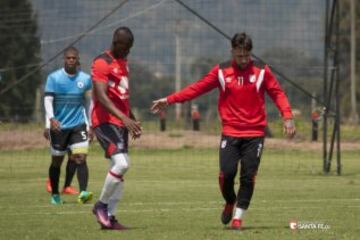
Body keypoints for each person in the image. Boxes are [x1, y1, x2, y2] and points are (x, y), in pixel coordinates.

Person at [151, 32, 296, 230]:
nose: (244, 60)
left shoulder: (262, 71)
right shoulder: (221, 71)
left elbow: (278, 93)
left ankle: (238, 218)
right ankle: (230, 200)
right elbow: (197, 88)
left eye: (247, 56)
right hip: (230, 132)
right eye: (239, 56)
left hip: (255, 134)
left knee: (248, 176)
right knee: (226, 174)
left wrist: (287, 117)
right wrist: (169, 100)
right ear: (232, 52)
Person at [91, 26, 141, 230]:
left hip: (120, 122)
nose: (128, 51)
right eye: (126, 47)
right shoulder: (102, 62)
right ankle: (100, 206)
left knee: (121, 167)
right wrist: (123, 117)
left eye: (130, 48)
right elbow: (101, 96)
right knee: (121, 164)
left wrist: (131, 118)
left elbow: (122, 96)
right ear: (116, 42)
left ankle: (110, 218)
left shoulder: (124, 62)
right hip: (104, 122)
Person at [44, 46, 93, 205]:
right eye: (68, 58)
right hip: (59, 127)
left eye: (74, 58)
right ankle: (56, 194)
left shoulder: (85, 79)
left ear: (78, 60)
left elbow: (89, 103)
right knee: (57, 161)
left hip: (78, 125)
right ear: (64, 59)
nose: (71, 60)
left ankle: (84, 193)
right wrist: (50, 120)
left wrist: (90, 124)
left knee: (81, 158)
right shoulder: (54, 78)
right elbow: (48, 100)